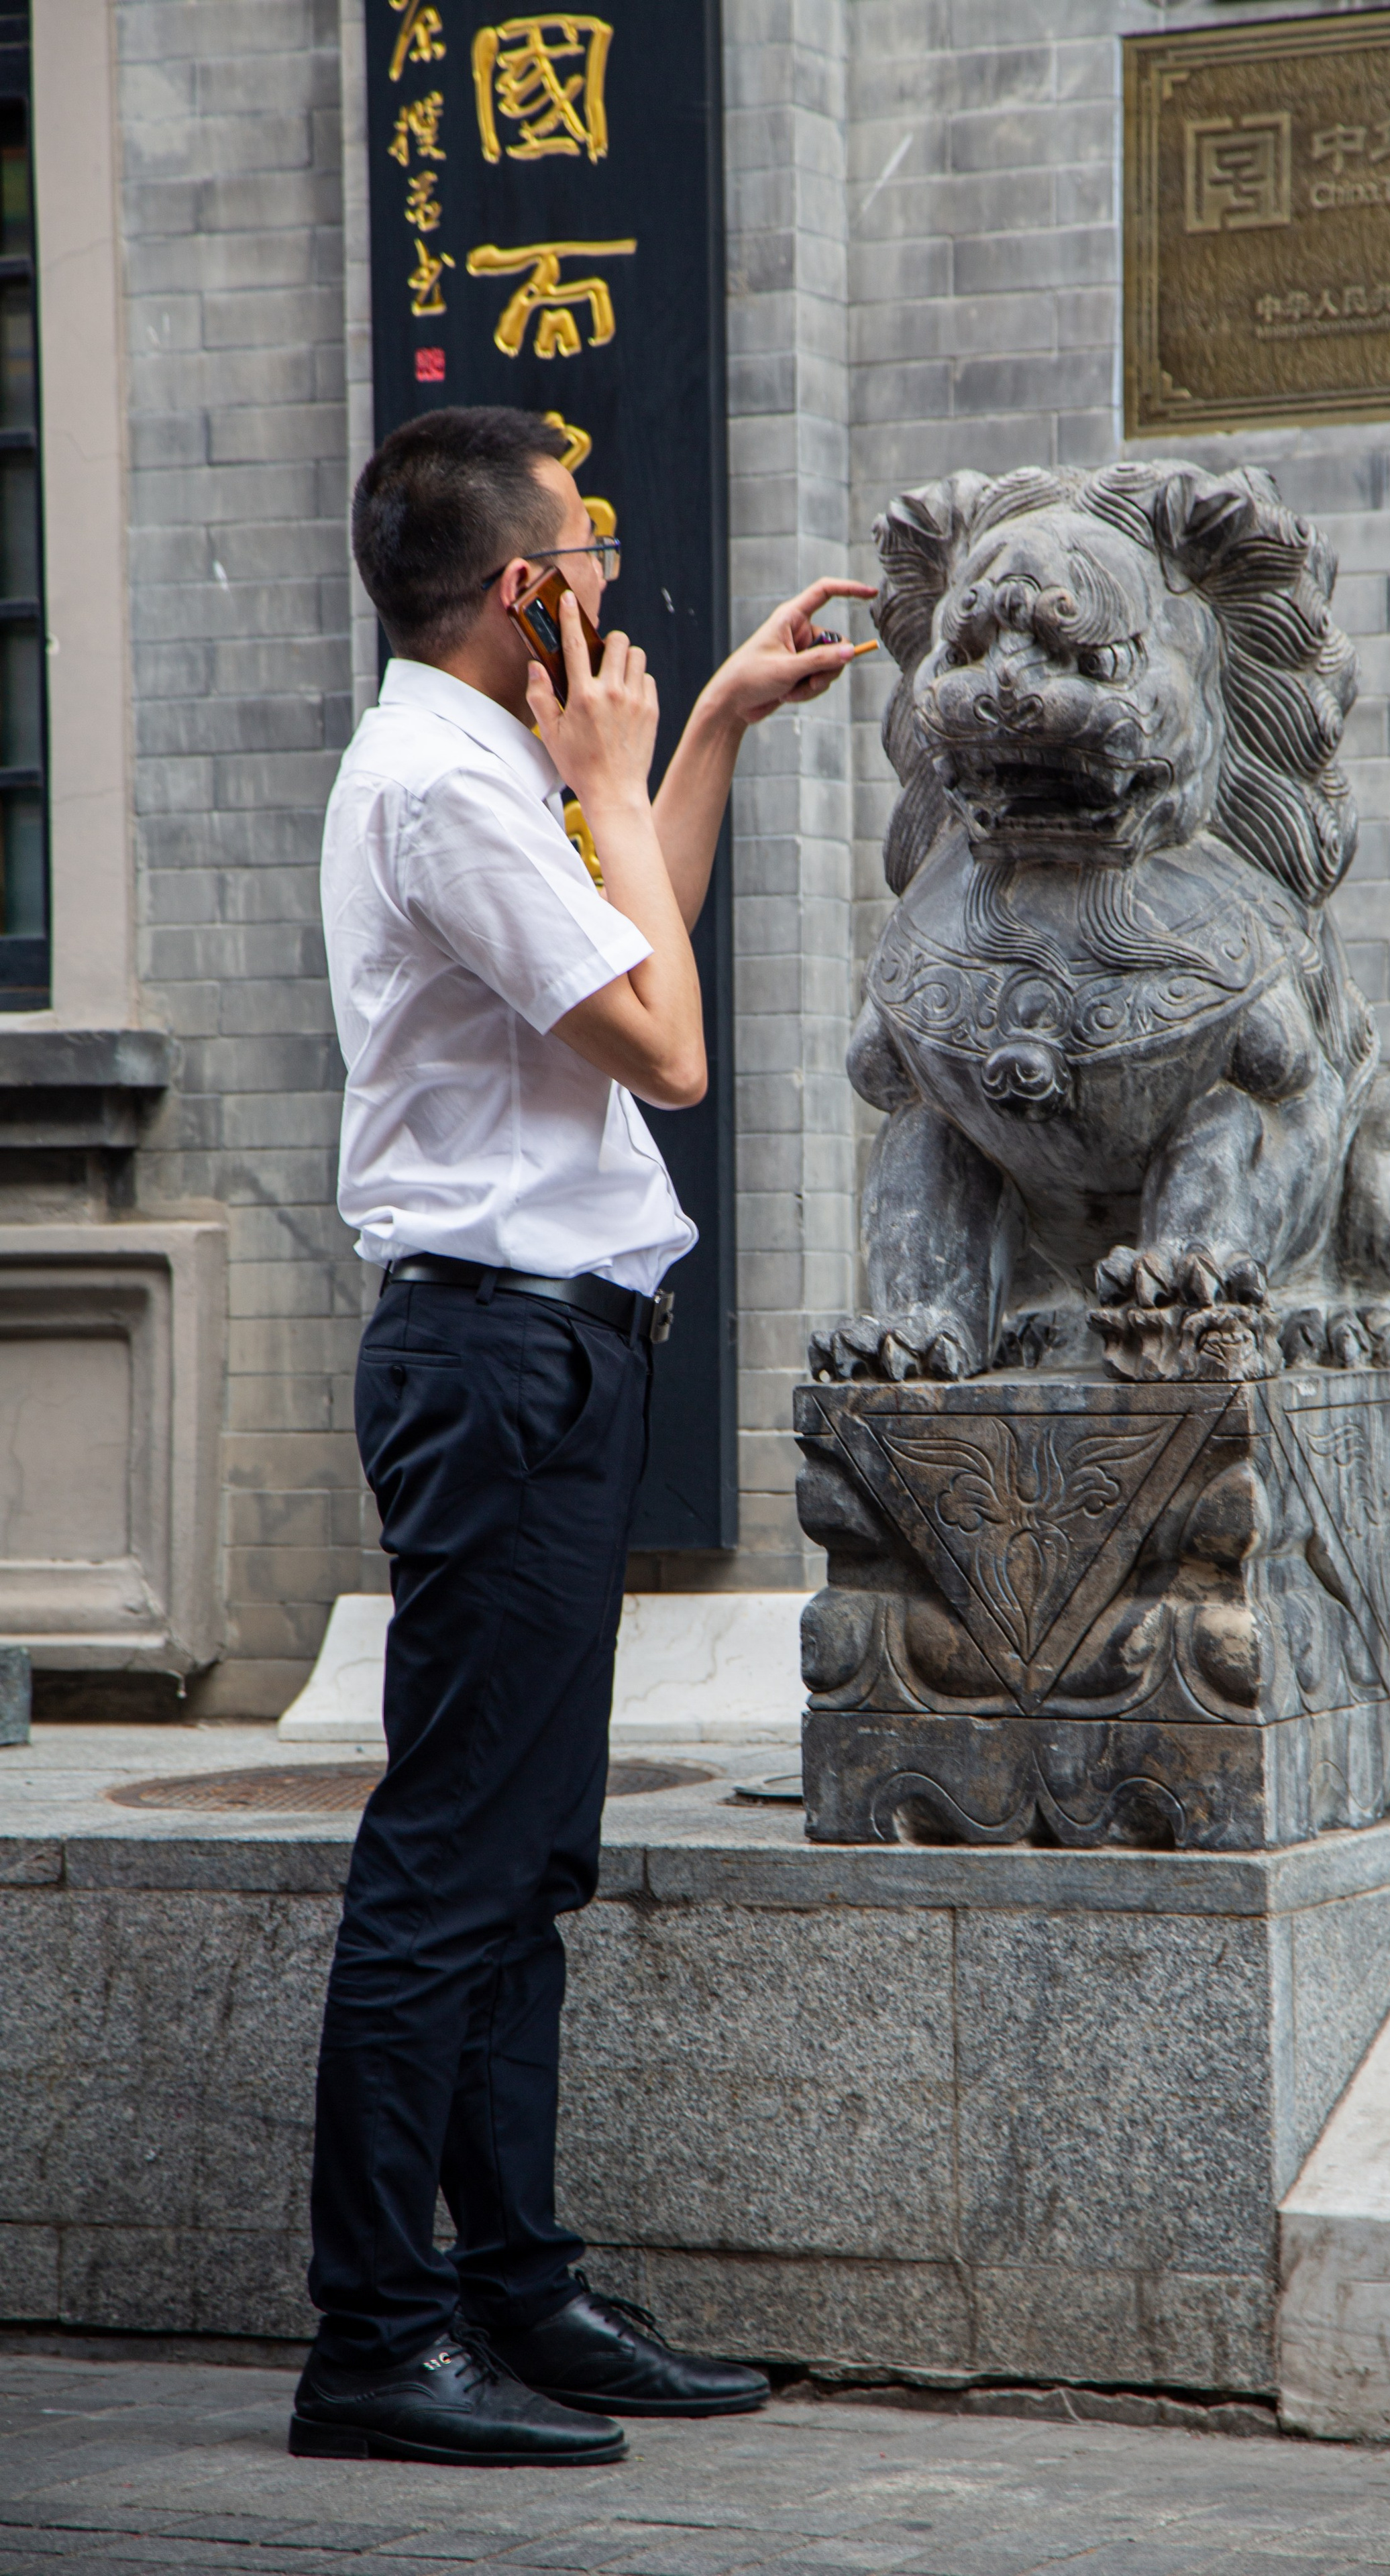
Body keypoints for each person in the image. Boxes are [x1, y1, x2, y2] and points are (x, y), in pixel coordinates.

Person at [290, 405, 875, 2468]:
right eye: (592, 547)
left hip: (552, 1352)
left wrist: (697, 735)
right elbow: (676, 1050)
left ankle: (516, 2292)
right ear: (526, 586)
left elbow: (624, 950)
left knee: (524, 1861)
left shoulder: (489, 772)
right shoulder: (443, 790)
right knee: (446, 1865)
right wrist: (610, 779)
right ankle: (376, 2331)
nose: (612, 575)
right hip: (491, 1356)